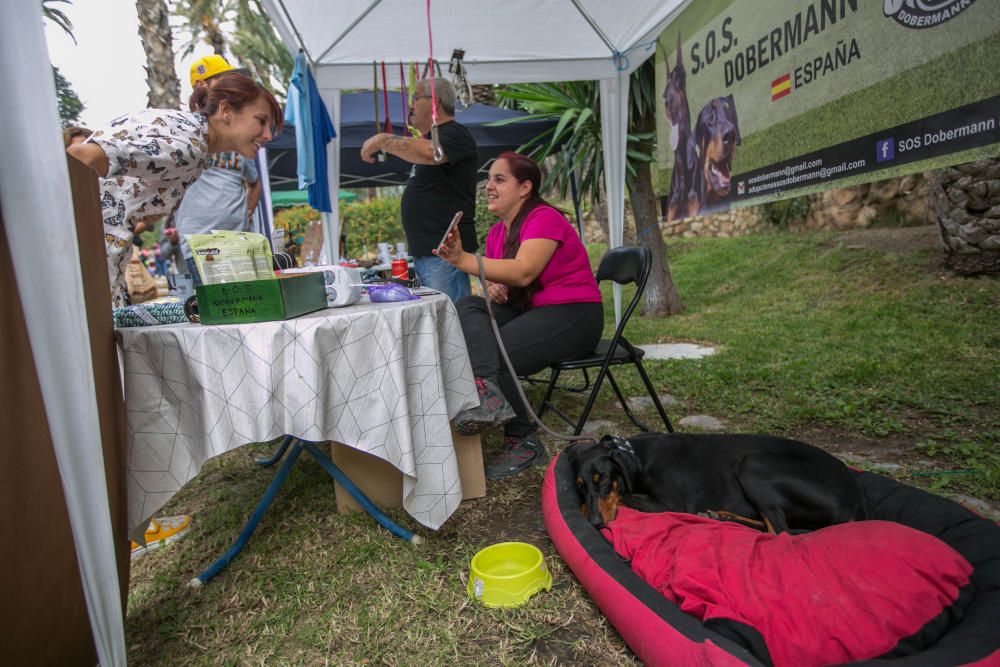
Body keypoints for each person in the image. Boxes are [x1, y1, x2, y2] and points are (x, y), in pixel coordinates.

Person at [435, 152, 604, 479]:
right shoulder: (499, 234)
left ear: (525, 187)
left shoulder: (545, 218)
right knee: (469, 306)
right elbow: (509, 278)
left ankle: (524, 439)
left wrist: (462, 260)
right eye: (489, 180)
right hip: (534, 311)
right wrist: (497, 288)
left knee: (495, 351)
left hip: (575, 314)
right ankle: (486, 390)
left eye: (500, 179)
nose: (489, 187)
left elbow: (525, 272)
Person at [67, 72, 281, 308]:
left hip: (95, 266)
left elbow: (127, 203)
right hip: (81, 269)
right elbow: (79, 157)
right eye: (261, 121)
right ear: (226, 110)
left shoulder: (195, 149)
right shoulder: (186, 144)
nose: (268, 135)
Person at [360, 78, 478, 302]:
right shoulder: (433, 138)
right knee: (440, 321)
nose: (410, 105)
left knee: (450, 321)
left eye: (415, 98)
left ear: (434, 102)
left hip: (444, 254)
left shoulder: (454, 133)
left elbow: (429, 153)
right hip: (431, 253)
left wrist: (383, 140)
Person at [169, 56, 262, 285]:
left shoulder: (238, 132)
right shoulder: (183, 131)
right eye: (224, 81)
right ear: (202, 86)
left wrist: (246, 213)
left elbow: (254, 181)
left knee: (251, 311)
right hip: (200, 243)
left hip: (240, 242)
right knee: (218, 314)